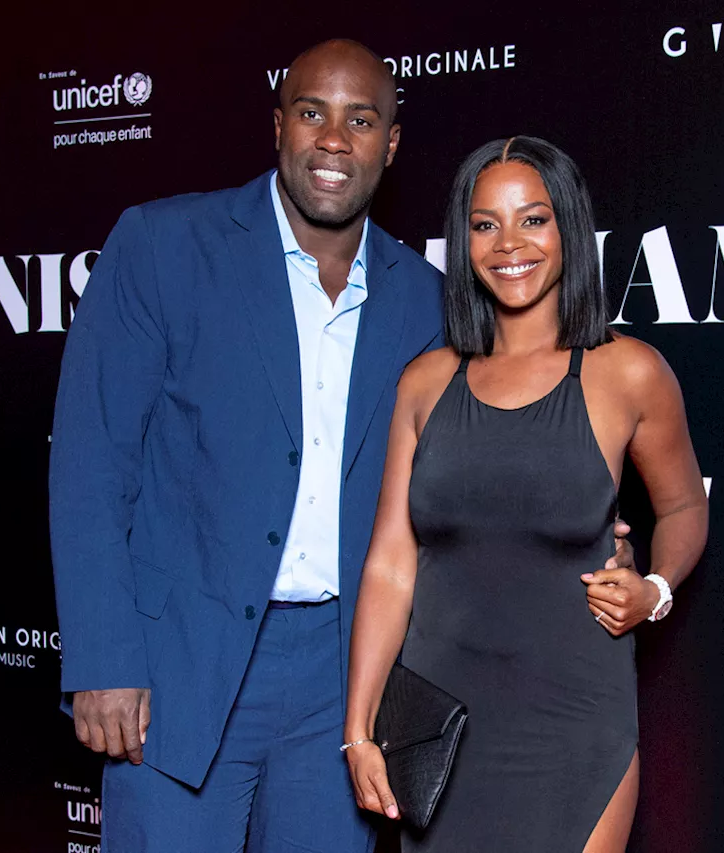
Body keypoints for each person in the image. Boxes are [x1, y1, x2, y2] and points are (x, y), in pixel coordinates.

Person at [49, 42, 634, 851]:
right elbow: (90, 463)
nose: (334, 140)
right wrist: (105, 657)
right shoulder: (162, 246)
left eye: (361, 120)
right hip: (181, 669)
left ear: (389, 144)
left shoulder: (429, 302)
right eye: (311, 112)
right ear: (278, 125)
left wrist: (599, 541)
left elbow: (483, 474)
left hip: (344, 684)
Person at [343, 135, 709, 853]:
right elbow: (390, 562)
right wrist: (358, 730)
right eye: (484, 224)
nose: (509, 243)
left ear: (567, 225)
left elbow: (685, 506)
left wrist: (657, 588)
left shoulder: (629, 372)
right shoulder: (425, 381)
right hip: (437, 727)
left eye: (533, 219)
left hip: (576, 727)